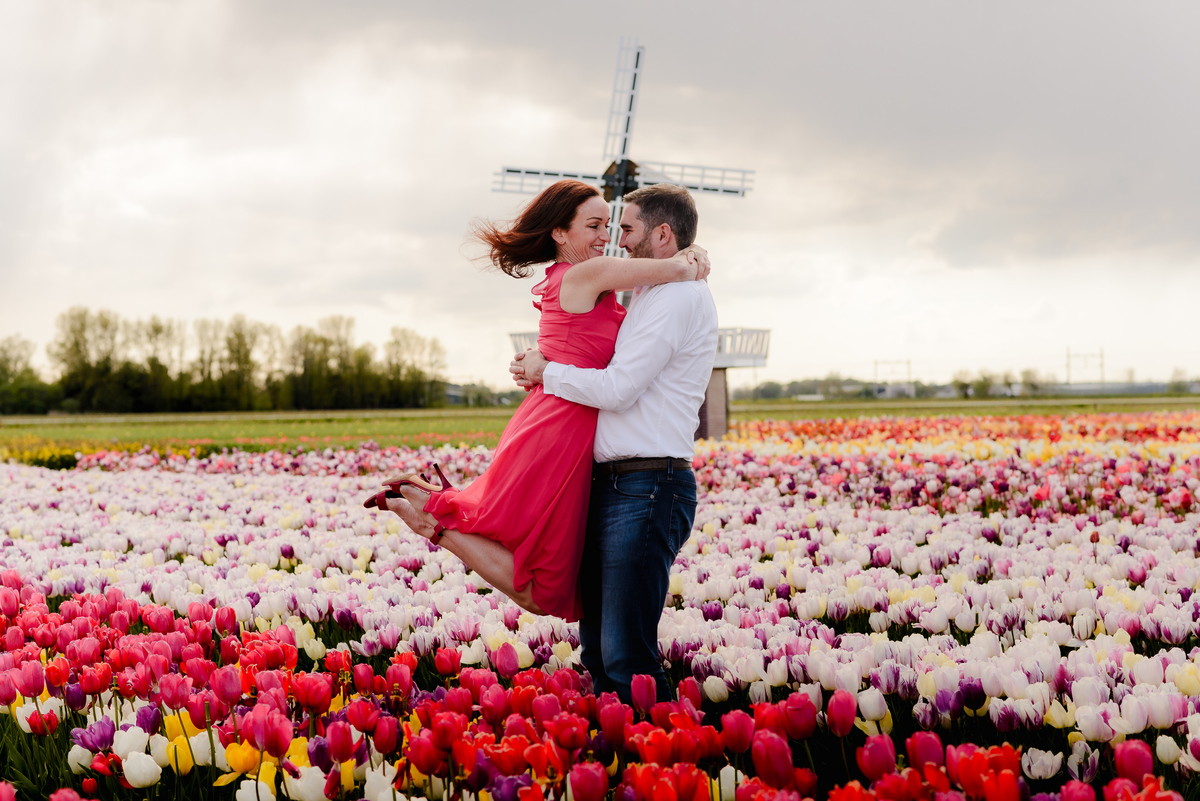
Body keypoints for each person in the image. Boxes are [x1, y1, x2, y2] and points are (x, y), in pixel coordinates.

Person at [366, 179, 710, 622]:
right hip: (561, 426)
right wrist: (693, 258)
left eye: (609, 225)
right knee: (543, 579)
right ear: (559, 233)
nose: (606, 237)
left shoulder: (586, 278)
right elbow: (679, 274)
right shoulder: (589, 273)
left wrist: (542, 364)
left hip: (564, 419)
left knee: (547, 577)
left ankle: (433, 521)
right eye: (594, 225)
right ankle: (434, 521)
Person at [509, 183, 719, 704]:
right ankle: (618, 766)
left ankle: (668, 767)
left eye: (625, 228)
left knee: (627, 657)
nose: (617, 240)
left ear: (663, 234)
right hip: (617, 484)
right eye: (607, 227)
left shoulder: (677, 297)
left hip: (648, 485)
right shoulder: (647, 291)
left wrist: (546, 371)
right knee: (600, 654)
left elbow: (620, 389)